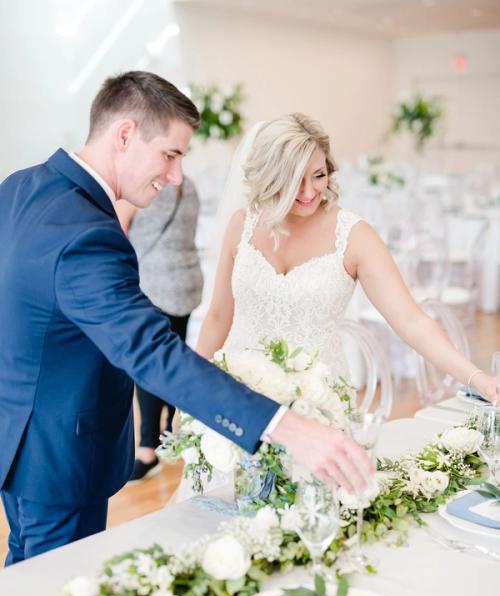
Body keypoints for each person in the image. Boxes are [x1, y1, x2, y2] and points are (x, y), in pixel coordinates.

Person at [0, 74, 371, 566]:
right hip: (59, 460)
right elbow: (153, 353)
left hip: (19, 439)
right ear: (125, 134)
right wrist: (291, 429)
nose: (175, 176)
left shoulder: (21, 186)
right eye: (170, 155)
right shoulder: (85, 235)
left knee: (24, 581)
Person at [197, 114, 499, 401]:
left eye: (318, 176)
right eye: (294, 180)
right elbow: (218, 317)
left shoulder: (354, 236)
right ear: (271, 177)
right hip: (238, 393)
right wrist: (190, 394)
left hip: (316, 403)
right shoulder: (242, 224)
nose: (308, 192)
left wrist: (477, 378)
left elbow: (411, 321)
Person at [116, 177, 203, 482]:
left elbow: (116, 238)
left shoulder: (138, 189)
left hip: (154, 285)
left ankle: (147, 449)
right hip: (188, 283)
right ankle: (169, 429)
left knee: (149, 363)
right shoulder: (189, 186)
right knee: (173, 354)